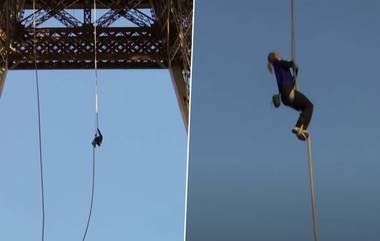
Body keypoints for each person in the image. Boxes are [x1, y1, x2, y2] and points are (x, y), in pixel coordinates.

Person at [267, 52, 313, 141]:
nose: (280, 54)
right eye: (278, 54)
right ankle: (299, 126)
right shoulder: (278, 62)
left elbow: (292, 81)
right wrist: (292, 63)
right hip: (288, 92)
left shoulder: (278, 68)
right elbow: (289, 64)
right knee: (309, 106)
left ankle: (300, 130)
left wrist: (296, 70)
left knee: (305, 109)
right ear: (275, 56)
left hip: (286, 98)